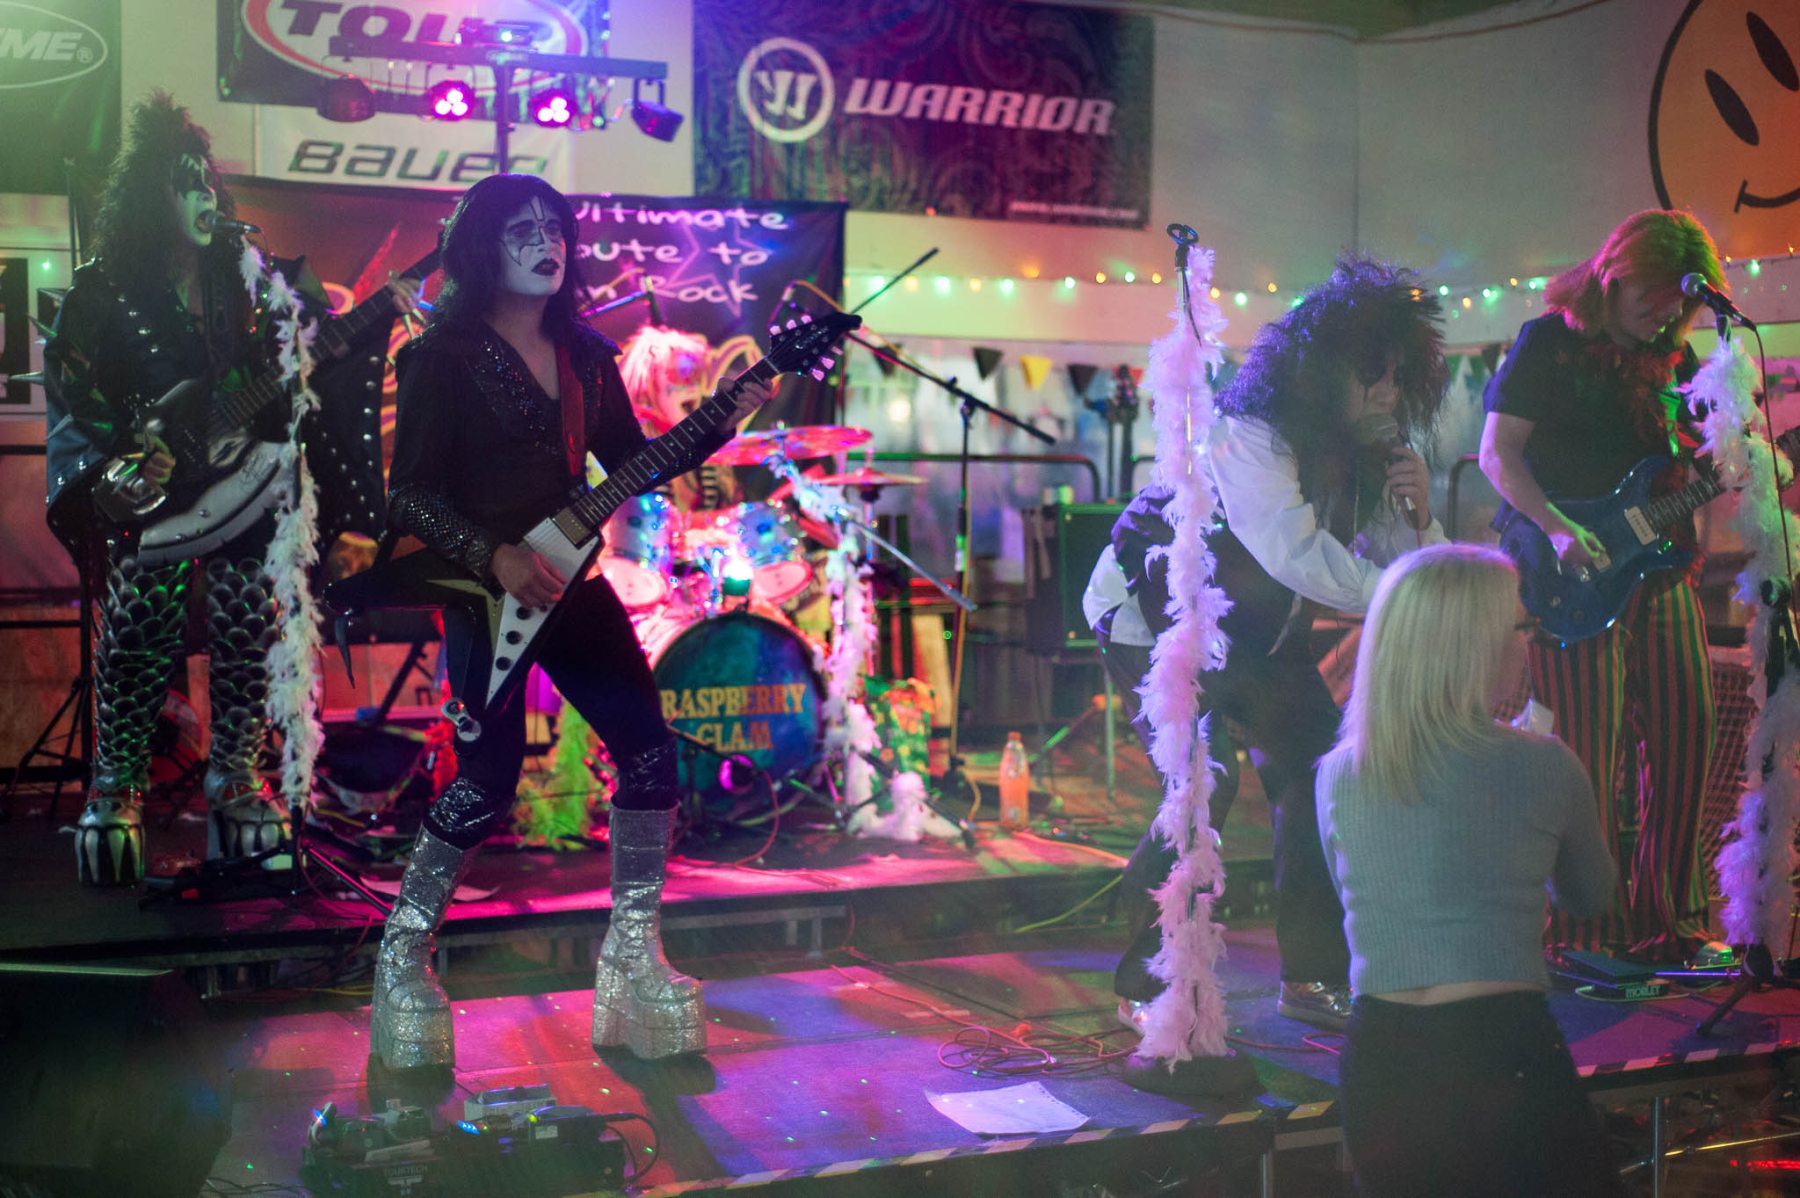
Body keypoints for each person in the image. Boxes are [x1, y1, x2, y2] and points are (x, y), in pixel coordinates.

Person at [367, 174, 771, 1069]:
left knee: (650, 754)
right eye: (522, 229)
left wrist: (725, 417)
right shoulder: (440, 356)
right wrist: (495, 556)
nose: (545, 242)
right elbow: (409, 498)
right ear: (482, 246)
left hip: (571, 579)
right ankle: (401, 958)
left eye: (554, 228)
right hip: (487, 590)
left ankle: (631, 957)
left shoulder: (587, 354)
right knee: (485, 783)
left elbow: (635, 461)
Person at [1087, 256, 1450, 1033]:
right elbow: (1295, 554)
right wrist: (1403, 590)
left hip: (1259, 635)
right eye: (1373, 377)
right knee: (1202, 784)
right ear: (1325, 373)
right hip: (1161, 619)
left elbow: (1407, 566)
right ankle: (1147, 982)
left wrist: (1419, 513)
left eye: (1397, 379)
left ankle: (1313, 977)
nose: (1387, 396)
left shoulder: (1367, 456)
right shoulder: (1250, 433)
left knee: (1321, 777)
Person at [43, 93, 303, 885]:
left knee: (248, 613)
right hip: (149, 486)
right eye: (182, 180)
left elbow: (275, 372)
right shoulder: (104, 286)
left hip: (234, 480)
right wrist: (129, 445)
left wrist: (305, 349)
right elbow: (69, 379)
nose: (201, 194)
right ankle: (117, 785)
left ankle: (237, 778)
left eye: (205, 179)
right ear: (149, 196)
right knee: (141, 615)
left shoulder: (242, 282)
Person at [1317, 543, 1623, 1197]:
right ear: (1476, 644)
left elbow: (1362, 896)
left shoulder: (1338, 773)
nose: (1528, 642)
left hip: (1382, 1057)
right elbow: (1593, 896)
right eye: (1521, 626)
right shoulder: (1545, 763)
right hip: (1500, 1047)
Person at [1479, 209, 1723, 962]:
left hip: (1662, 567)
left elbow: (1691, 461)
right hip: (1570, 574)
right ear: (1615, 273)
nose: (1666, 314)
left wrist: (1732, 479)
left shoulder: (1677, 360)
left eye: (1680, 303)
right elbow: (1497, 453)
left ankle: (1672, 923)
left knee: (1688, 733)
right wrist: (1555, 527)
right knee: (1585, 750)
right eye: (1654, 295)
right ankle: (1583, 932)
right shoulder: (1549, 342)